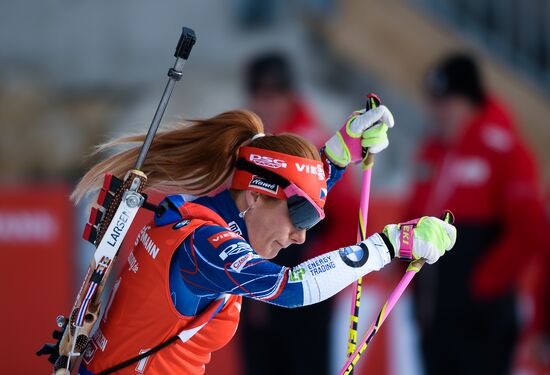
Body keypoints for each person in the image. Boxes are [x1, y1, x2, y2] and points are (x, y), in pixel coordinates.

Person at [69, 106, 456, 374]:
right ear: (253, 195)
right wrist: (388, 246)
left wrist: (338, 156)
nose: (301, 235)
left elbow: (287, 190)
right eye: (300, 216)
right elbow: (290, 288)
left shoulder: (205, 218)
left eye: (313, 219)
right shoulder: (206, 245)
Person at [408, 53, 546, 375]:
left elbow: (530, 229)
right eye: (434, 102)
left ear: (467, 101)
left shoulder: (504, 149)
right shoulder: (433, 149)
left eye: (445, 103)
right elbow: (413, 213)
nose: (437, 112)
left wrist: (482, 286)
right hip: (434, 313)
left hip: (481, 319)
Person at [240, 52, 360, 375]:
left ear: (289, 95)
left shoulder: (314, 144)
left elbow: (349, 221)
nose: (265, 104)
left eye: (273, 94)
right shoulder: (251, 144)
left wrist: (314, 266)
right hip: (255, 281)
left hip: (305, 287)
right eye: (258, 95)